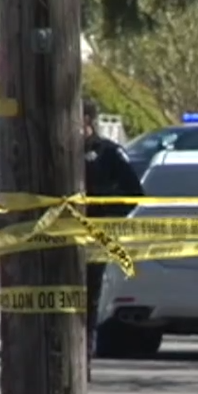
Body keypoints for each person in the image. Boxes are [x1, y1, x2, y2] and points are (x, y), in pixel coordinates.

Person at [82, 98, 144, 379]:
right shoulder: (55, 151)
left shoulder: (108, 152)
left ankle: (83, 361)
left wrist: (105, 212)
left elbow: (135, 195)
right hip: (57, 238)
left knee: (87, 301)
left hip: (96, 237)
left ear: (88, 120)